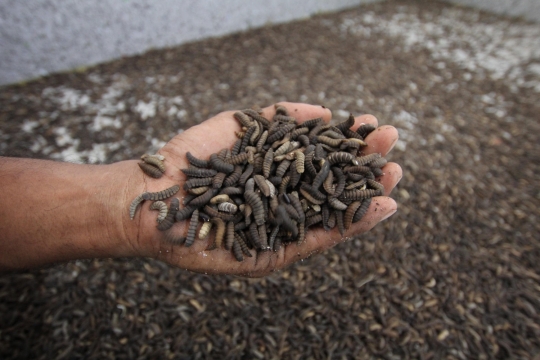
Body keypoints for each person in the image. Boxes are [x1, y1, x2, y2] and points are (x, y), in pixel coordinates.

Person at [0, 102, 401, 276]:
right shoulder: (222, 180)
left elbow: (313, 189)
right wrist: (134, 197)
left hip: (254, 195)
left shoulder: (309, 169)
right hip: (233, 194)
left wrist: (133, 198)